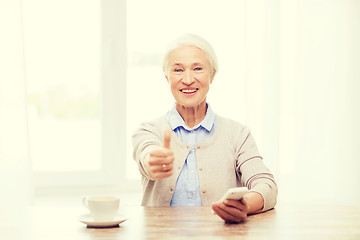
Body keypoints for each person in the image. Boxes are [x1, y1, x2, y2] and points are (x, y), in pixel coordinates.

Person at [132, 34, 277, 223]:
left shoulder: (238, 134)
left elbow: (267, 185)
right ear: (166, 75)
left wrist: (245, 205)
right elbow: (146, 154)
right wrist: (153, 161)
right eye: (178, 70)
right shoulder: (149, 130)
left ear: (212, 75)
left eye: (198, 68)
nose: (188, 79)